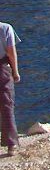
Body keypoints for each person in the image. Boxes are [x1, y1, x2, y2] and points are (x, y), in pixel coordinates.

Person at [1, 20, 19, 156]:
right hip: (2, 69)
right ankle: (11, 143)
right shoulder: (6, 28)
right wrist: (15, 71)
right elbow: (11, 52)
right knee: (6, 104)